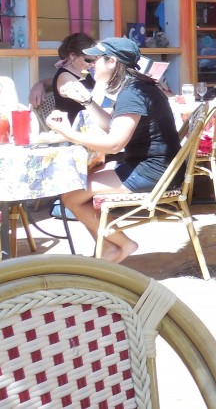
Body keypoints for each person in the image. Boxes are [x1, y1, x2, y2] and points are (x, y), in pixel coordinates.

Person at [46, 37, 180, 264]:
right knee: (79, 186)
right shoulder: (137, 87)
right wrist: (88, 101)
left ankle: (123, 244)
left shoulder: (132, 94)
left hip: (153, 172)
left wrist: (66, 133)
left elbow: (115, 144)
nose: (91, 64)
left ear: (112, 62)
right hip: (156, 166)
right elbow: (112, 127)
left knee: (71, 196)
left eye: (95, 59)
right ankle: (109, 247)